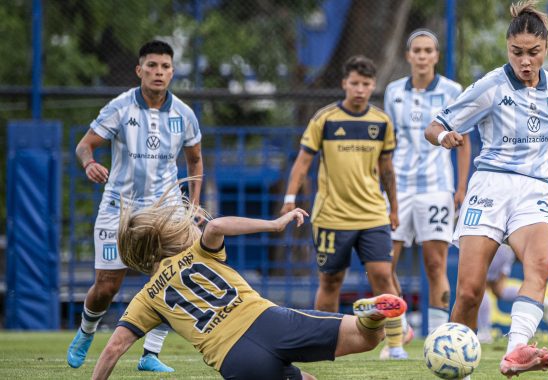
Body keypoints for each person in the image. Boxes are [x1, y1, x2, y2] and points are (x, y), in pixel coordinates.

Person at [90, 180, 408, 380]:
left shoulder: (145, 298)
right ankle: (370, 313)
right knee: (370, 338)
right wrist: (274, 224)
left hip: (236, 362)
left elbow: (114, 348)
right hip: (267, 321)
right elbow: (215, 228)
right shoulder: (197, 254)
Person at [424, 1, 548, 376]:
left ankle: (515, 353)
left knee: (540, 265)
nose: (525, 61)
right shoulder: (491, 86)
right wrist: (445, 136)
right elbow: (434, 125)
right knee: (469, 293)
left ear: (545, 49)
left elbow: (546, 145)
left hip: (533, 191)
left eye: (533, 53)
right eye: (517, 53)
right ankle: (453, 362)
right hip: (490, 188)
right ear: (507, 49)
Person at [67, 40, 204, 372]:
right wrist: (88, 163)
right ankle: (86, 331)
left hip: (166, 208)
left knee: (170, 276)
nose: (159, 72)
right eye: (152, 65)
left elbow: (195, 161)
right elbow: (85, 146)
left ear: (172, 71)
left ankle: (151, 354)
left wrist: (193, 206)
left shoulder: (184, 114)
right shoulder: (119, 107)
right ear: (139, 70)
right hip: (121, 206)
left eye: (165, 66)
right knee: (106, 285)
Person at [280, 55, 405, 356]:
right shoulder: (324, 119)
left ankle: (396, 345)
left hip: (372, 214)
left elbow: (387, 169)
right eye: (354, 83)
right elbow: (303, 162)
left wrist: (394, 208)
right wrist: (289, 199)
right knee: (331, 280)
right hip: (331, 217)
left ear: (373, 85)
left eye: (365, 84)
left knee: (382, 275)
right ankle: (325, 344)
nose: (360, 89)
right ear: (344, 84)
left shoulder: (382, 122)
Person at [381, 28, 471, 359]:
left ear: (436, 55)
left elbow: (463, 140)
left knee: (435, 264)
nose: (422, 55)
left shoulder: (452, 90)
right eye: (416, 50)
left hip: (436, 188)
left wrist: (461, 187)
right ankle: (399, 330)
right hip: (398, 189)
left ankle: (437, 337)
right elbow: (386, 144)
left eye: (428, 50)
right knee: (384, 263)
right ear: (408, 55)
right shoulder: (393, 91)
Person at [476, 245, 548, 344]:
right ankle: (541, 301)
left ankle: (484, 331)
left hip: (488, 244)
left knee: (478, 287)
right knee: (499, 290)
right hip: (505, 249)